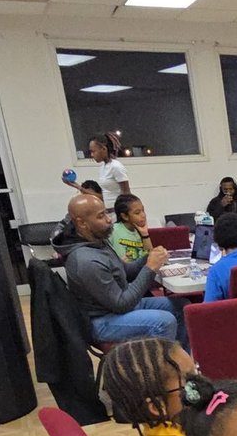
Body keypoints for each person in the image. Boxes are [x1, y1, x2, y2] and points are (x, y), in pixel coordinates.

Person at [63, 191, 183, 347]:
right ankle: (157, 369)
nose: (108, 220)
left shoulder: (98, 242)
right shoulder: (86, 260)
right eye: (100, 216)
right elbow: (122, 304)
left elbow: (125, 272)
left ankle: (180, 365)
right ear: (81, 223)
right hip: (101, 321)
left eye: (106, 213)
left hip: (115, 309)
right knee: (164, 322)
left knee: (182, 307)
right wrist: (150, 267)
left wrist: (148, 257)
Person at [62, 133, 129, 210]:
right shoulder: (102, 168)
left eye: (93, 151)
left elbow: (127, 194)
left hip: (118, 213)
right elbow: (103, 197)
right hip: (108, 212)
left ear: (104, 149)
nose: (92, 155)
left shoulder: (116, 167)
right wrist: (78, 187)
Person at [109, 193, 153, 265]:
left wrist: (145, 234)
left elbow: (150, 259)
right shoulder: (113, 230)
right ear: (125, 216)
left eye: (143, 210)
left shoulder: (139, 231)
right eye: (137, 213)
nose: (143, 215)